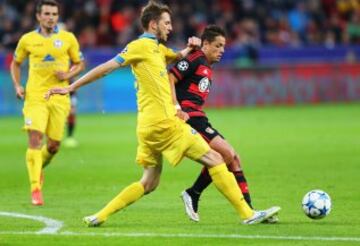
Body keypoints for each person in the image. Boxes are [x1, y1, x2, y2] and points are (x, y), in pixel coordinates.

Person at [46, 0, 280, 226]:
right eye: (167, 23)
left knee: (149, 182)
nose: (171, 27)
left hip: (146, 128)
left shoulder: (158, 49)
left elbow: (177, 56)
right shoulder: (139, 46)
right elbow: (106, 68)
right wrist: (71, 86)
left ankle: (100, 215)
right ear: (153, 24)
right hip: (164, 122)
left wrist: (190, 47)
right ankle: (247, 213)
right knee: (216, 159)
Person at [169, 25, 277, 223]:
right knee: (226, 154)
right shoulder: (194, 59)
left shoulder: (207, 65)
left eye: (223, 46)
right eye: (218, 46)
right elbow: (170, 76)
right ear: (206, 44)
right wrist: (176, 107)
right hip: (189, 117)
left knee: (234, 158)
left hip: (199, 116)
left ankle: (250, 211)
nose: (222, 50)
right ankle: (193, 193)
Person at [10, 0, 85, 206]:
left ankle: (38, 166)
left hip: (59, 96)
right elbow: (16, 63)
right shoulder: (27, 40)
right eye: (47, 13)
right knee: (35, 138)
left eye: (54, 14)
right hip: (35, 96)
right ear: (38, 16)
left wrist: (68, 73)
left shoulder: (68, 38)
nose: (51, 17)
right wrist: (17, 85)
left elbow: (80, 63)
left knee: (53, 146)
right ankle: (35, 189)